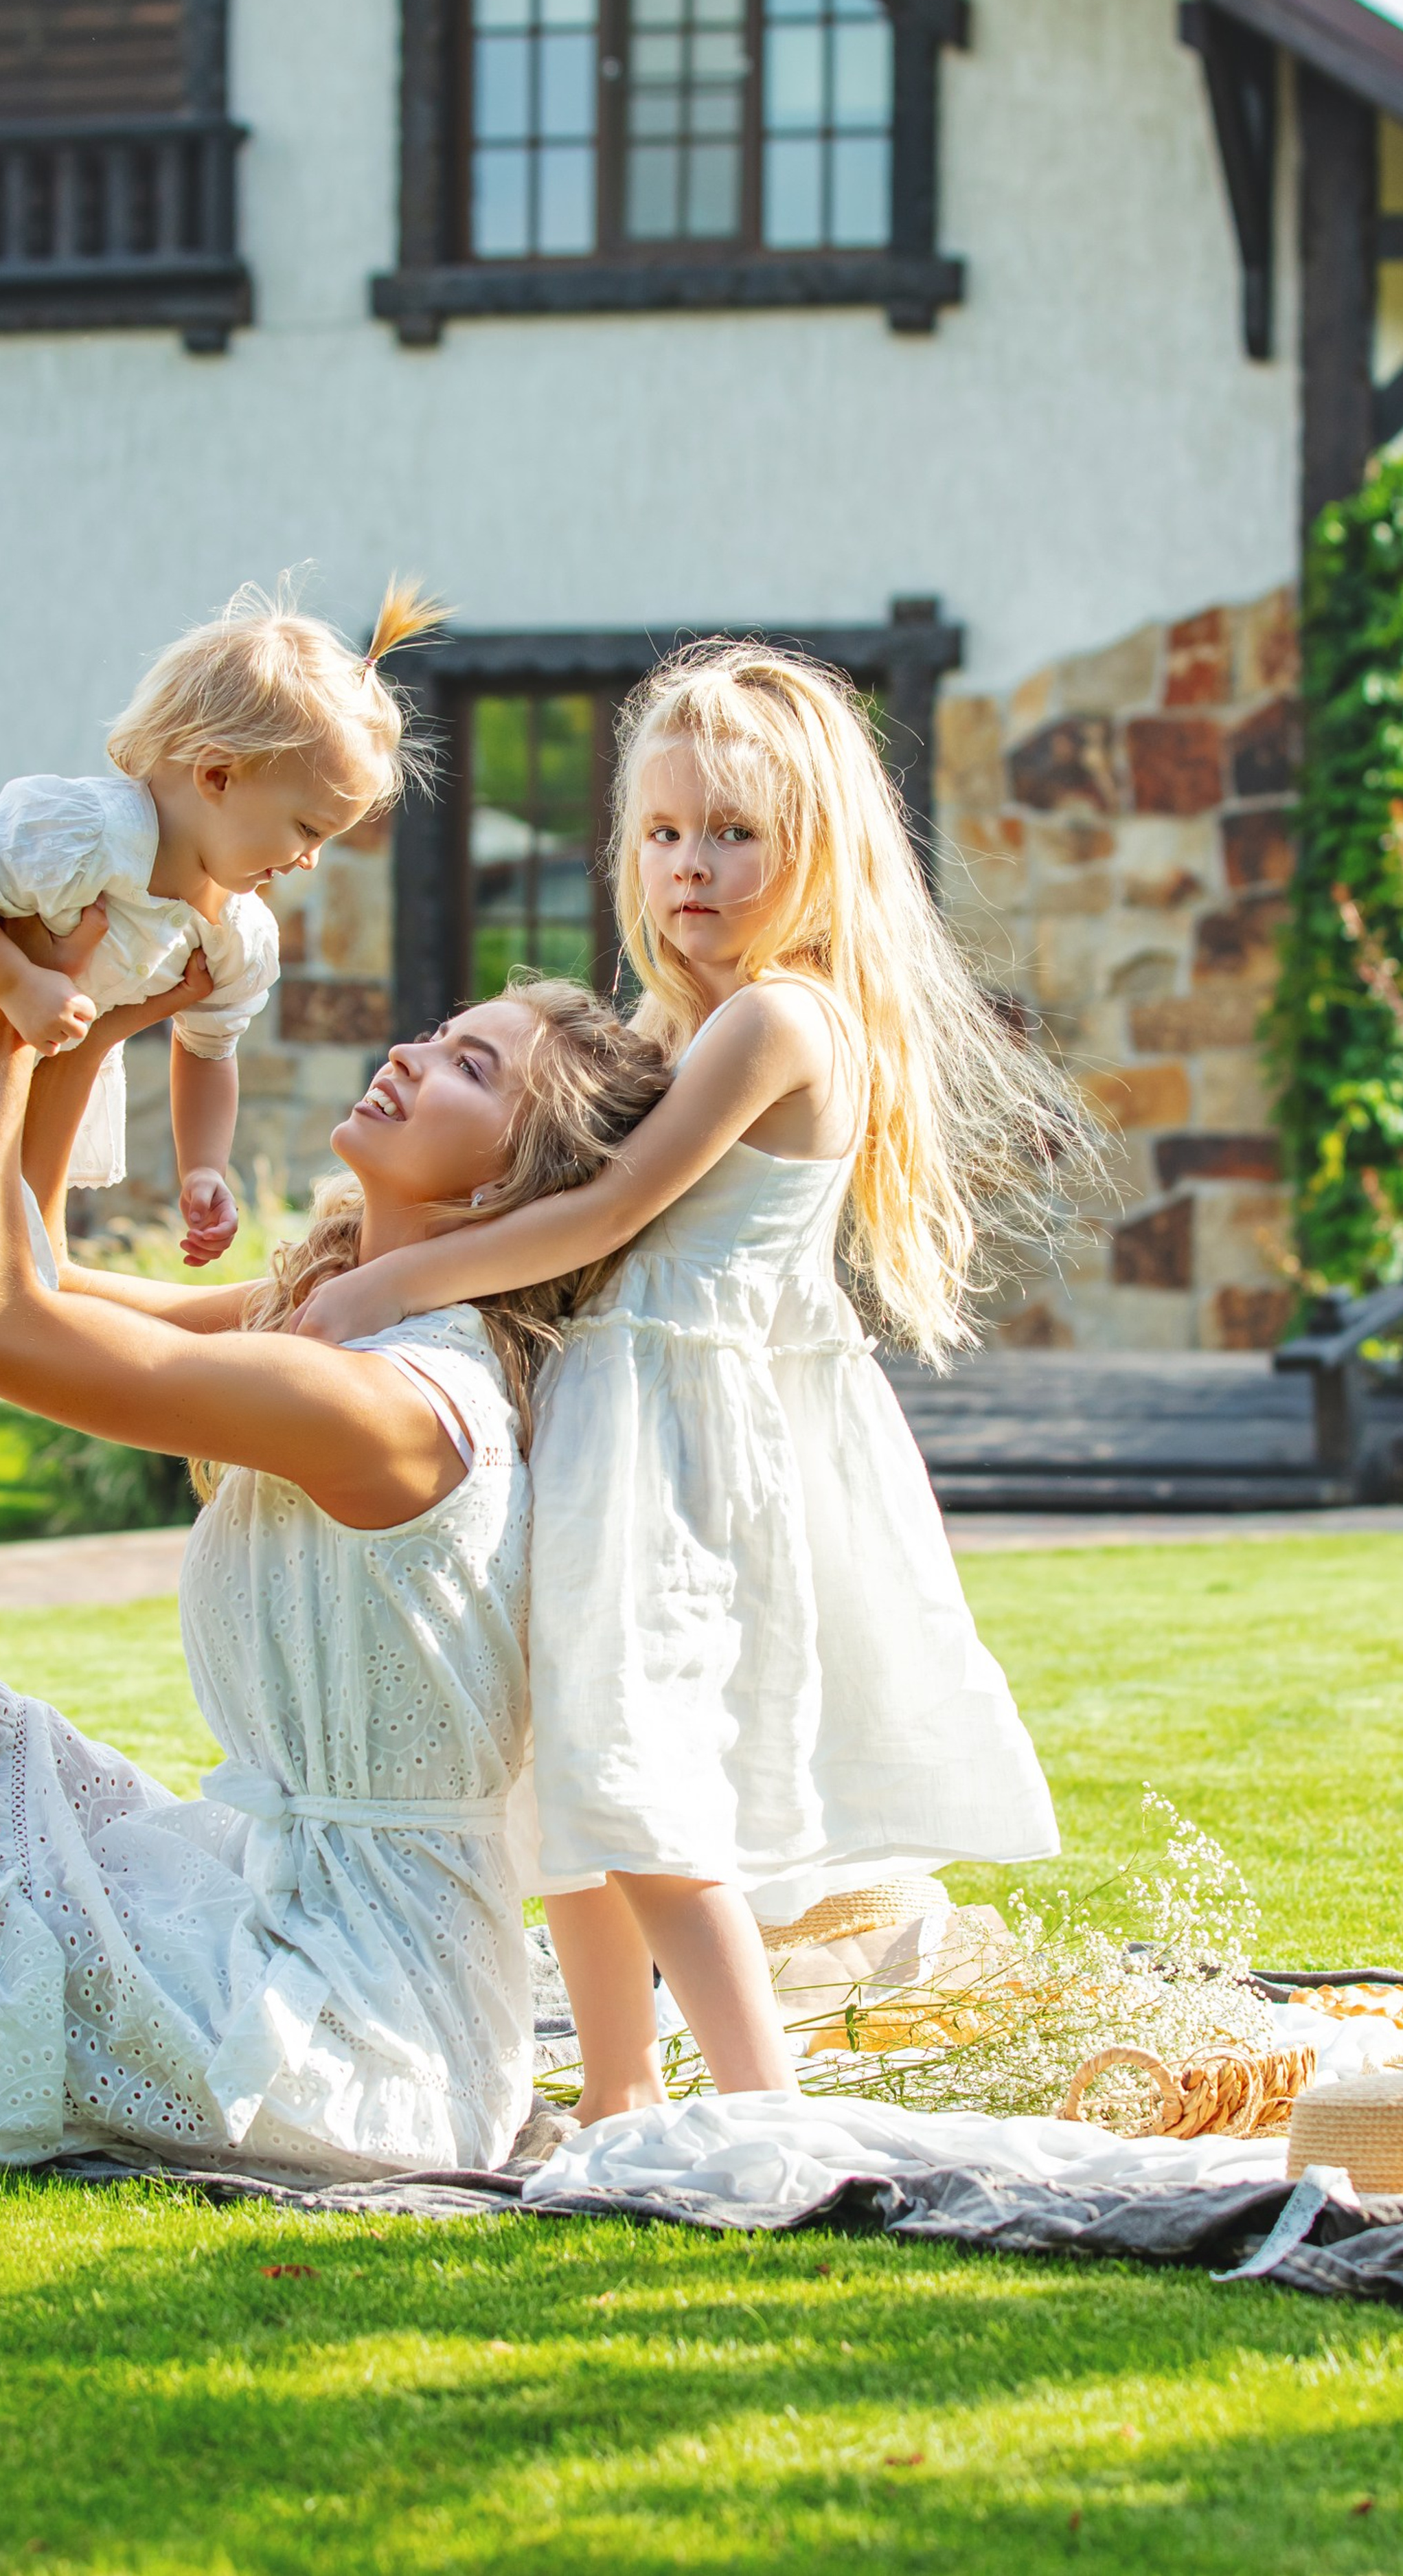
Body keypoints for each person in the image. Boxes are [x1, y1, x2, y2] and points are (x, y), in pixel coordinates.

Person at [291, 642, 1088, 2124]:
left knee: (643, 1776)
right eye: (662, 834)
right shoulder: (671, 1023)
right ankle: (612, 2096)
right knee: (571, 1774)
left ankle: (754, 2102)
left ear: (814, 853)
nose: (690, 868)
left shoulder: (776, 1021)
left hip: (682, 1441)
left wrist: (385, 1284)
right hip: (612, 1421)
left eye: (732, 834)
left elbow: (603, 1214)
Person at [0, 964, 668, 2178]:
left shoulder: (392, 1402)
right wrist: (97, 1028)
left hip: (355, 2034)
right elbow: (30, 1276)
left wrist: (4, 1030)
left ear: (507, 1188)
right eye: (439, 1030)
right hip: (272, 1909)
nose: (414, 1055)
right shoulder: (333, 1319)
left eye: (474, 1068)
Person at [0, 579, 437, 1577]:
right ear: (217, 774)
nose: (311, 861)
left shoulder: (238, 932)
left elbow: (208, 1051)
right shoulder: (86, 831)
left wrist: (205, 1168)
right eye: (306, 828)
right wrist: (10, 981)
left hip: (13, 1054)